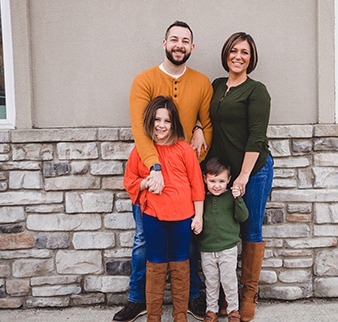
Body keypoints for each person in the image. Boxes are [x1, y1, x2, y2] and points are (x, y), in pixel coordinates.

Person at [112, 21, 212, 322]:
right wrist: (154, 168)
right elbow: (141, 130)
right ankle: (138, 300)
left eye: (185, 41)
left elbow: (206, 126)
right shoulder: (144, 80)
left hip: (182, 181)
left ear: (192, 47)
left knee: (189, 244)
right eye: (174, 39)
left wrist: (195, 137)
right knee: (144, 241)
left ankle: (191, 299)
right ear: (164, 42)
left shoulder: (202, 82)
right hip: (151, 177)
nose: (179, 45)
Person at [205, 32, 274, 322]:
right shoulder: (217, 86)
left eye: (244, 52)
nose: (238, 56)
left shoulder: (257, 90)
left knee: (250, 230)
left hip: (253, 171)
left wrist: (243, 177)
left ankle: (247, 294)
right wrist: (198, 127)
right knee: (221, 230)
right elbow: (206, 117)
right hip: (224, 174)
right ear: (226, 54)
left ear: (251, 58)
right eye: (234, 50)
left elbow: (256, 137)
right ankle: (224, 294)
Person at [123, 96, 205, 321]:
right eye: (157, 119)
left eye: (167, 121)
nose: (161, 125)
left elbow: (197, 184)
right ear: (150, 121)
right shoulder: (142, 151)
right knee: (155, 264)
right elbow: (130, 180)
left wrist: (198, 216)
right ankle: (154, 316)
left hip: (182, 216)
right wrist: (145, 183)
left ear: (174, 123)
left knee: (180, 264)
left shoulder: (184, 150)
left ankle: (180, 316)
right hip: (153, 215)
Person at [199, 157, 248, 322]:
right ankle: (211, 311)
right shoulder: (202, 199)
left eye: (221, 181)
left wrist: (238, 199)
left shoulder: (230, 198)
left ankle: (233, 309)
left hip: (227, 248)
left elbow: (243, 217)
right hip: (207, 248)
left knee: (228, 281)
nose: (217, 185)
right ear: (205, 179)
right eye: (212, 180)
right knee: (211, 282)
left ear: (228, 180)